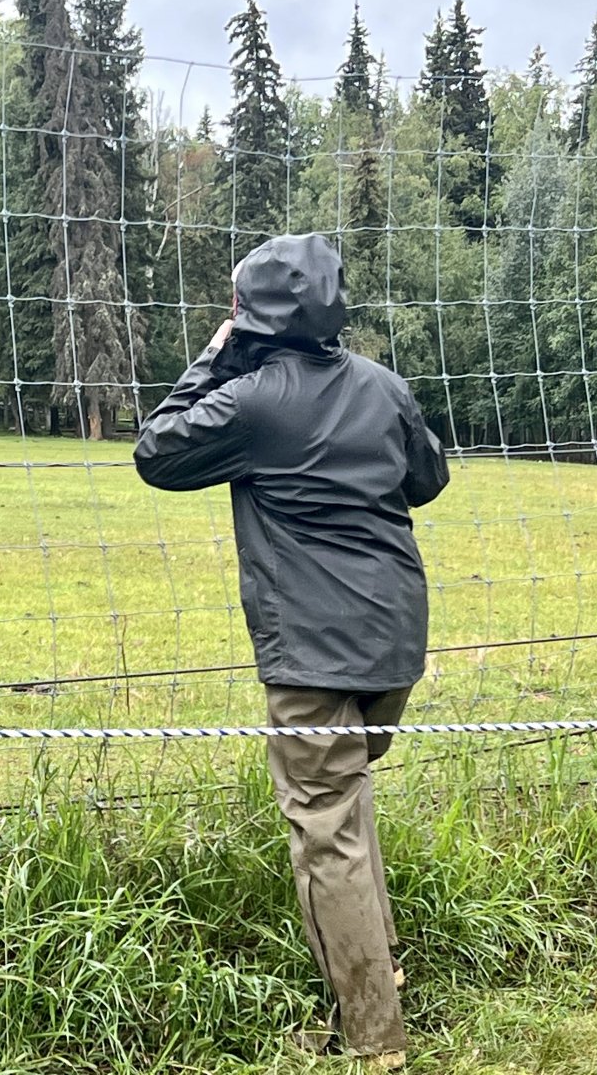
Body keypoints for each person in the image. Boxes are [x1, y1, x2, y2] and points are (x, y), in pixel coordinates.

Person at [132, 233, 450, 1069]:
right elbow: (428, 481)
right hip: (395, 640)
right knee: (347, 809)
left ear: (249, 315)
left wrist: (214, 357)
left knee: (325, 831)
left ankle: (373, 1036)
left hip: (312, 651)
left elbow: (155, 452)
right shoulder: (384, 387)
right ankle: (380, 972)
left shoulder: (253, 401)